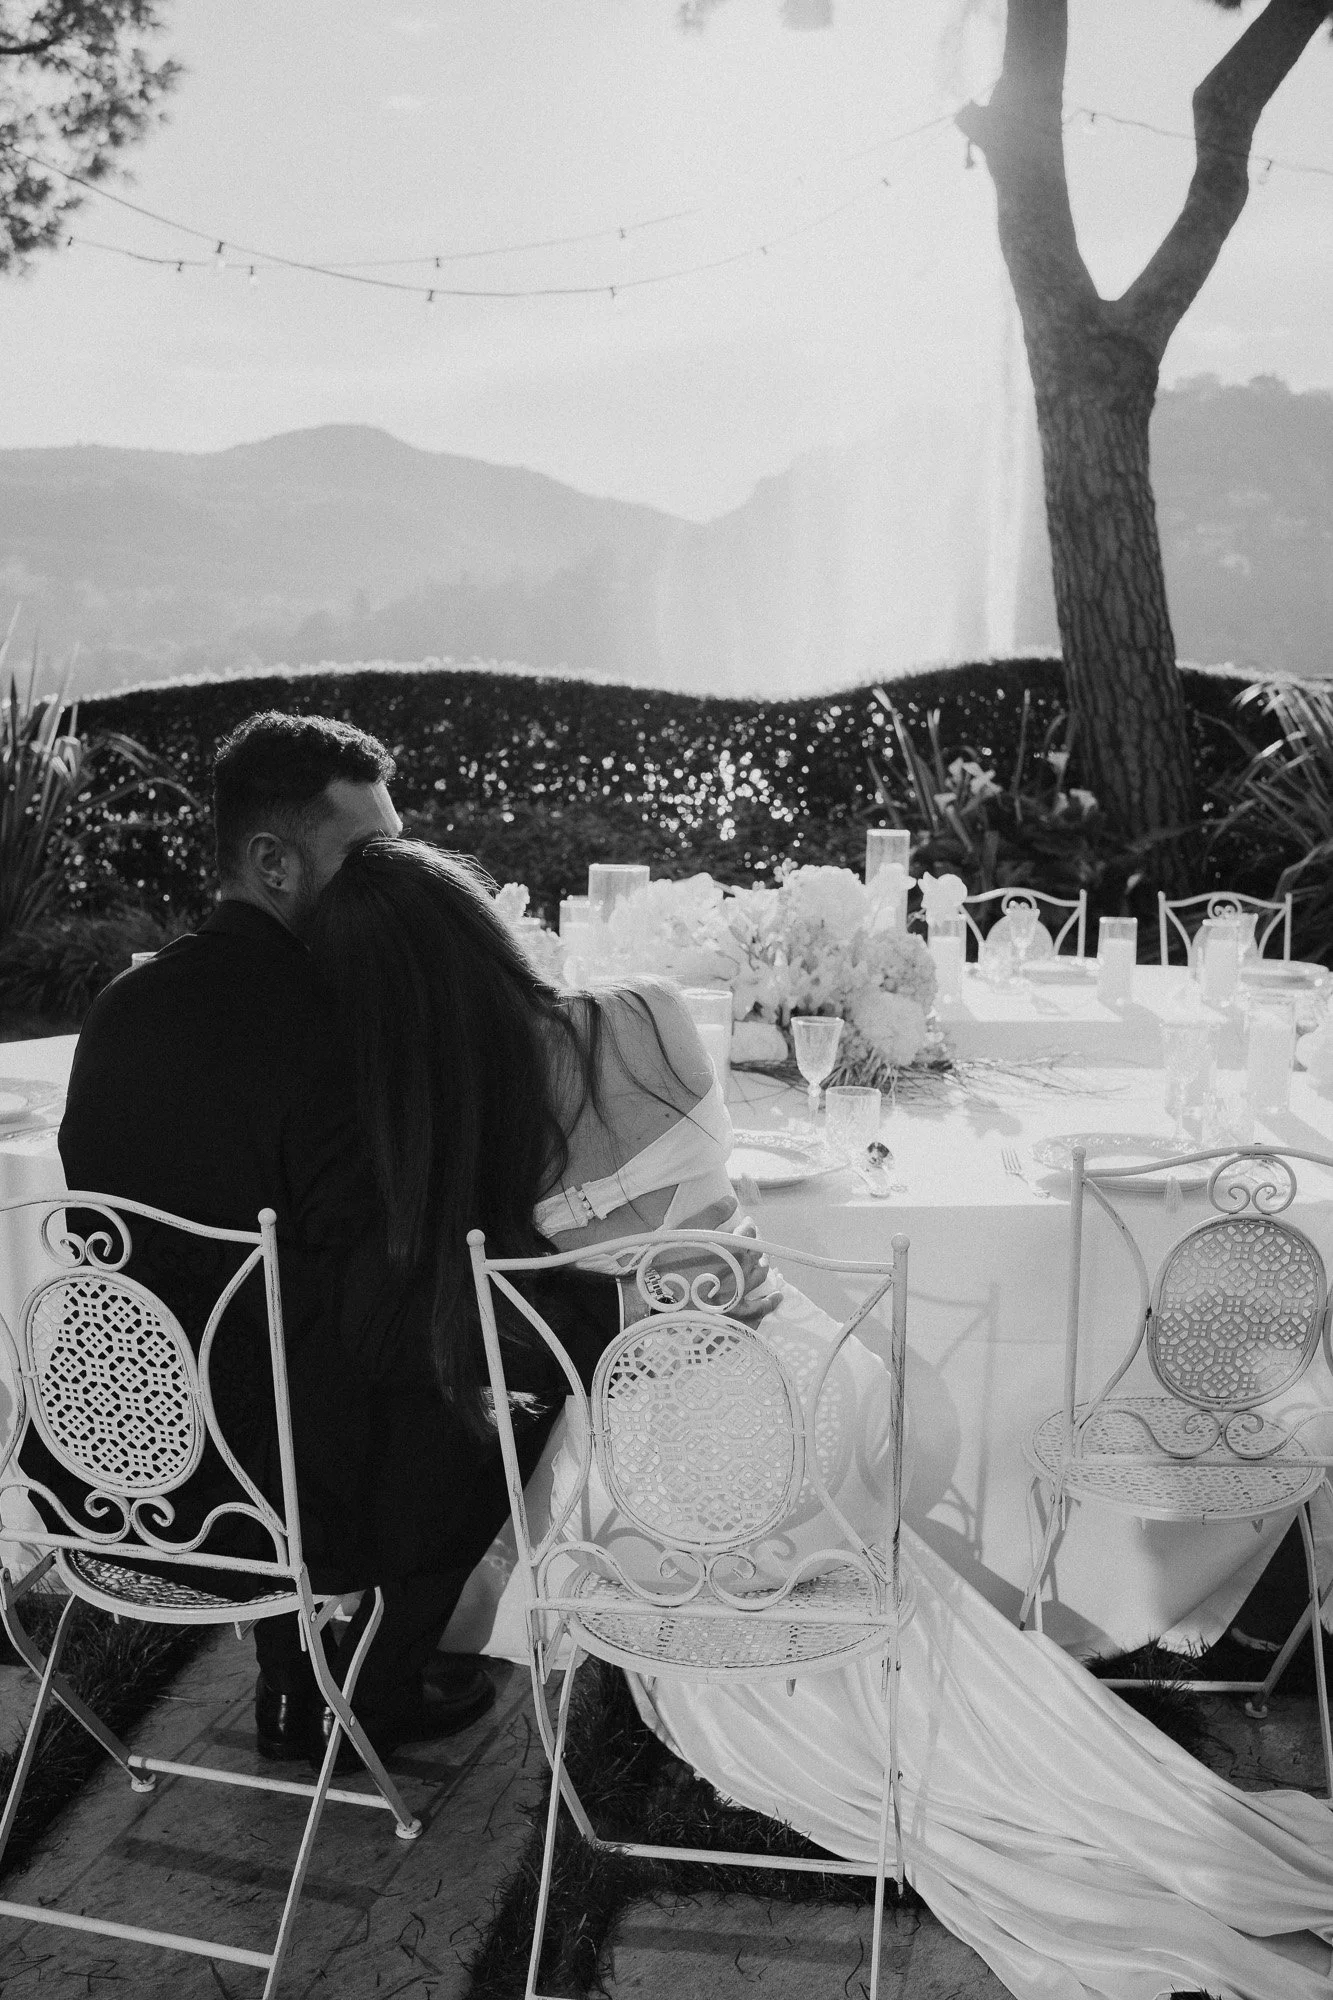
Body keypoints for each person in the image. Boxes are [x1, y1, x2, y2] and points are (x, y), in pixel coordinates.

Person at [312, 835, 1333, 2000]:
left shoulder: (454, 1127)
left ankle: (912, 1749)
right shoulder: (647, 1009)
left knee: (720, 1656)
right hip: (821, 1383)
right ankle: (1020, 1749)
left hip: (686, 1447)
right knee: (903, 1616)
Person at [53, 710, 627, 1766]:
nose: (393, 877)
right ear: (271, 861)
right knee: (557, 1328)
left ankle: (293, 1679)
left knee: (281, 1348)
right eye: (369, 855)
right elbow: (380, 1313)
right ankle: (375, 1677)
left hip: (108, 1474)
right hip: (274, 1506)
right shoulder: (343, 1026)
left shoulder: (122, 1005)